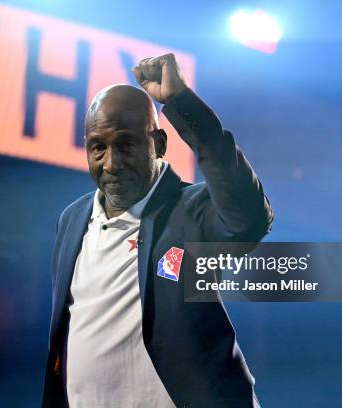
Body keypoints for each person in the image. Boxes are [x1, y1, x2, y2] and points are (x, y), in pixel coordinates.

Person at [43, 53, 273, 407]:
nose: (112, 163)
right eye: (98, 148)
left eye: (126, 144)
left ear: (160, 144)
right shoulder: (72, 219)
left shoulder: (189, 210)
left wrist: (182, 102)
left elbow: (250, 219)